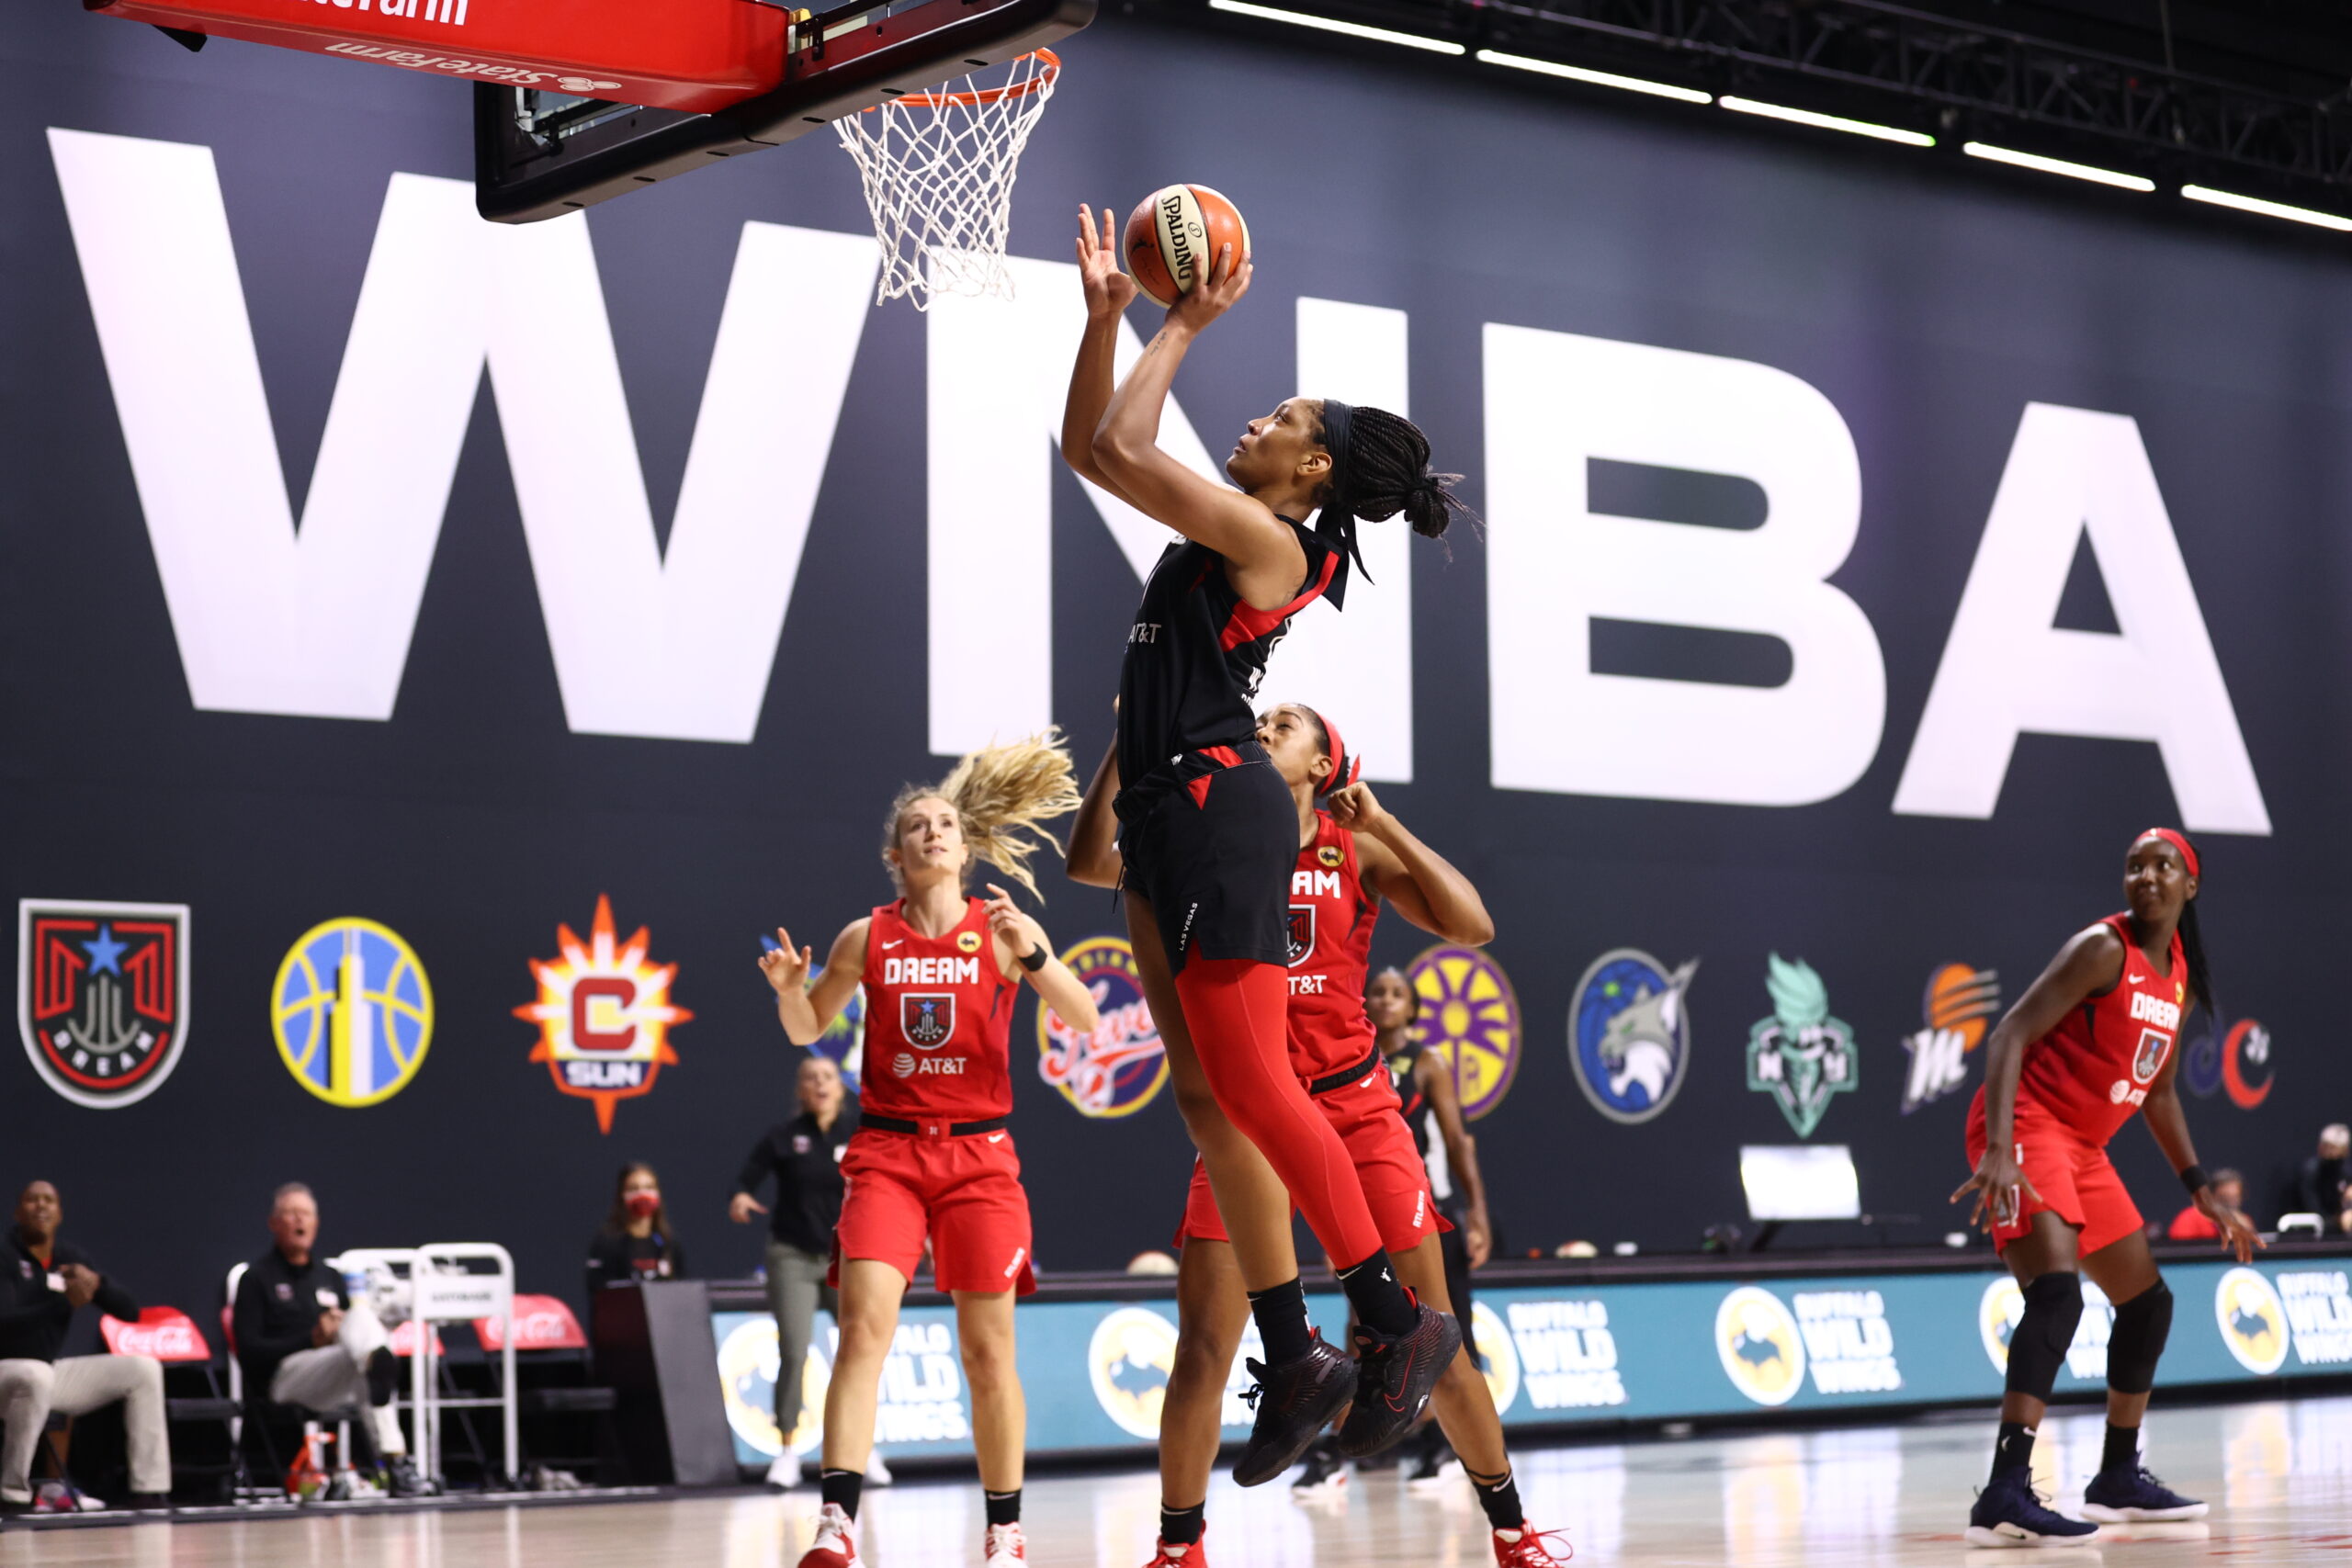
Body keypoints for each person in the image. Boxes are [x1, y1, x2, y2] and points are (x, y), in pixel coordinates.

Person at [1060, 205, 1472, 1492]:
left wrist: (1173, 320)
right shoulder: (1245, 527)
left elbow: (1123, 442)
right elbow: (1090, 443)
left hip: (1220, 805)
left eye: (1282, 419)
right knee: (1206, 1099)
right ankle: (1296, 1350)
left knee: (1254, 1085)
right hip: (1162, 817)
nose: (1257, 422)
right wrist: (1101, 321)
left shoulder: (1275, 541)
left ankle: (1396, 1325)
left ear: (1312, 474)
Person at [1070, 705, 1566, 1568]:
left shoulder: (1350, 846)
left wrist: (1386, 824)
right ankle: (1177, 1548)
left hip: (1352, 1106)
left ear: (1324, 764)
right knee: (1204, 1348)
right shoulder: (1210, 839)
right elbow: (1087, 864)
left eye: (1289, 722)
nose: (1265, 723)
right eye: (1262, 715)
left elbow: (1474, 923)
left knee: (1433, 1337)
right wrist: (1133, 732)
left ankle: (1514, 1532)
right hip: (1247, 1119)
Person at [761, 733, 1101, 1568]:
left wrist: (1037, 954)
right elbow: (807, 1027)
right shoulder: (863, 936)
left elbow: (1086, 1016)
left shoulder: (1000, 929)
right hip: (887, 1154)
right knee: (863, 1329)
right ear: (896, 853)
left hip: (981, 1161)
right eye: (918, 825)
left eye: (946, 822)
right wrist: (790, 993)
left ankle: (1004, 1530)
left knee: (988, 1351)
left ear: (965, 843)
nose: (934, 831)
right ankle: (836, 1524)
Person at [1952, 829, 2260, 1548]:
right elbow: (2008, 1036)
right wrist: (2000, 1149)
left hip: (2082, 1144)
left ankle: (2117, 1477)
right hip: (2027, 1122)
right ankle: (2003, 1490)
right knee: (2057, 1294)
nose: (2146, 874)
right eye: (2134, 864)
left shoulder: (2179, 975)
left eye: (2164, 865)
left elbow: (2157, 1094)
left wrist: (2199, 1188)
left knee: (2148, 1303)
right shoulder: (2103, 948)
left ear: (2191, 885)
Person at [232, 1183, 427, 1495]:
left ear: (317, 1223)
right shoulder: (256, 1278)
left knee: (362, 1331)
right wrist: (310, 1339)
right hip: (285, 1377)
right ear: (274, 1223)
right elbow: (250, 1351)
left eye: (306, 1214)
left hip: (335, 1370)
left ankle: (396, 1462)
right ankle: (396, 1459)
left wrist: (338, 1328)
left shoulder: (329, 1275)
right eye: (291, 1213)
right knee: (368, 1358)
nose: (300, 1221)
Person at [0, 1181, 168, 1513]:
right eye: (32, 1200)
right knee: (36, 1374)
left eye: (49, 1200)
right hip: (6, 1370)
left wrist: (97, 1284)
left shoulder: (68, 1258)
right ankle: (12, 1493)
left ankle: (150, 1490)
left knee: (143, 1369)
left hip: (47, 1372)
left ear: (60, 1213)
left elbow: (130, 1311)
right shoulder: (4, 1254)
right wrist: (60, 1302)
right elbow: (4, 1321)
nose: (41, 1206)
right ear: (18, 1212)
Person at [732, 1054, 858, 1490]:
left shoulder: (859, 1134)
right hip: (792, 1255)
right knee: (794, 1348)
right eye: (810, 1078)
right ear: (800, 1090)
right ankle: (787, 1450)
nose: (820, 1084)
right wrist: (741, 1197)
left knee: (860, 1350)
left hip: (846, 1256)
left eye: (827, 1077)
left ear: (841, 1089)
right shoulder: (785, 1137)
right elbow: (745, 1180)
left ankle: (863, 1450)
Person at [586, 1163, 686, 1299]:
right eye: (634, 1188)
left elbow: (682, 1290)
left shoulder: (668, 1243)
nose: (643, 1194)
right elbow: (598, 1293)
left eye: (649, 1187)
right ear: (622, 1195)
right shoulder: (607, 1243)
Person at [2290, 1123, 2349, 1221]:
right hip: (2311, 1228)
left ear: (2345, 1150)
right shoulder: (2310, 1172)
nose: (2331, 1153)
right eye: (2327, 1147)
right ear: (2320, 1147)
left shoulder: (2346, 1174)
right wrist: (2338, 1222)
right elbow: (2312, 1209)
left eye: (2335, 1149)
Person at [2165, 1168, 2244, 1241]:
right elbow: (2179, 1251)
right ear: (2211, 1196)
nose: (2229, 1205)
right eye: (2224, 1197)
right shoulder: (2190, 1218)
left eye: (2234, 1198)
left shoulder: (2244, 1221)